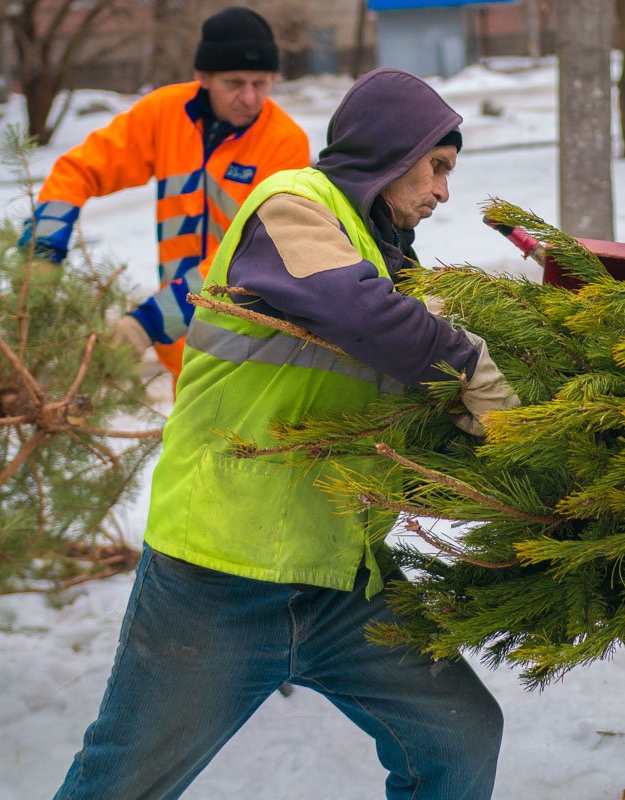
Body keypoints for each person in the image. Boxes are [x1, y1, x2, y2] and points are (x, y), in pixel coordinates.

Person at [52, 67, 517, 800]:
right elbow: (359, 315)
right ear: (391, 151)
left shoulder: (387, 258)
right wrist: (465, 361)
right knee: (122, 786)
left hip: (340, 581)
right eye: (435, 166)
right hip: (219, 581)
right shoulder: (291, 206)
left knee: (457, 739)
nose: (442, 191)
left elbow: (390, 400)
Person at [18, 6, 310, 380]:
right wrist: (44, 250)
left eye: (261, 83)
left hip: (247, 347)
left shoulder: (284, 143)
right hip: (178, 342)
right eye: (235, 83)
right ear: (203, 77)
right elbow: (77, 171)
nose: (250, 97)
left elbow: (249, 258)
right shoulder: (165, 113)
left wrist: (149, 322)